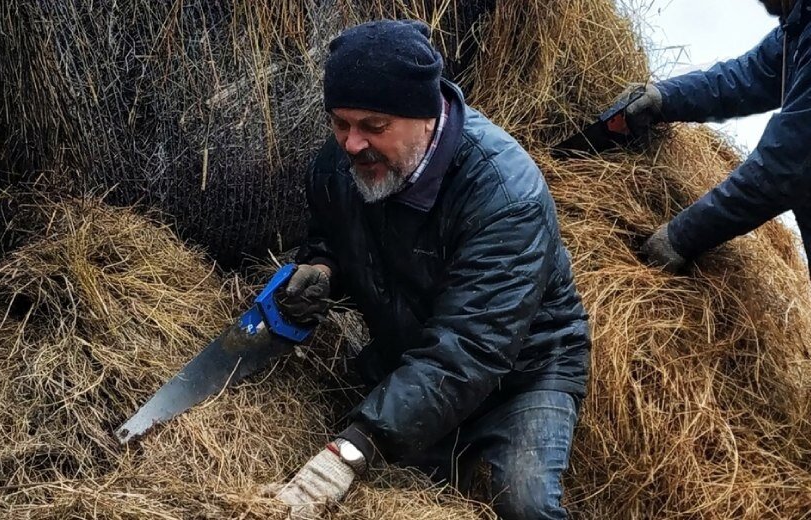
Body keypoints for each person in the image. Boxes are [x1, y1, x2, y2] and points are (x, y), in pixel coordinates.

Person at [272, 19, 591, 520]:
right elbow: (329, 232)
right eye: (339, 123)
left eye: (374, 127)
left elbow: (471, 346)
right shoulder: (341, 165)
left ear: (427, 116)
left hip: (524, 369)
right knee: (406, 494)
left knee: (524, 504)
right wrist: (321, 266)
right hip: (411, 352)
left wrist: (356, 447)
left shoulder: (505, 195)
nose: (352, 144)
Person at [625, 0, 811, 274]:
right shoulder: (797, 28)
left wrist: (681, 237)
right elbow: (746, 76)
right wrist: (664, 97)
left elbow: (784, 168)